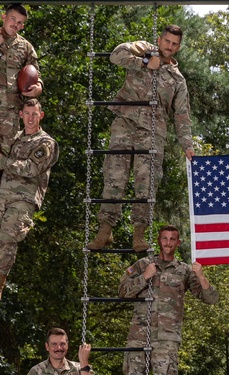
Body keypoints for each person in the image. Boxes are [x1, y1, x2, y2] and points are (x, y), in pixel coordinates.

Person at [87, 25, 194, 252]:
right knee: (114, 175)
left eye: (175, 44)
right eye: (167, 41)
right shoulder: (143, 50)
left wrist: (187, 145)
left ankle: (139, 233)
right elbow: (116, 55)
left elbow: (182, 114)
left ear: (179, 47)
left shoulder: (178, 80)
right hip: (125, 121)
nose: (169, 46)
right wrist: (144, 62)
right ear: (159, 39)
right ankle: (105, 230)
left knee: (146, 182)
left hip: (153, 130)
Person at [119, 224, 219, 375]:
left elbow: (211, 299)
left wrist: (201, 276)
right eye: (164, 238)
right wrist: (144, 277)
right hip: (138, 334)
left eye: (172, 239)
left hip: (167, 338)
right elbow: (122, 291)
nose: (168, 242)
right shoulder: (143, 264)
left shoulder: (184, 270)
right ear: (159, 241)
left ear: (178, 243)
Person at [0, 99, 58, 299]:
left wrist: (5, 163)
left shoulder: (46, 143)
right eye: (27, 113)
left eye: (35, 114)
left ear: (41, 116)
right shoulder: (15, 138)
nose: (31, 118)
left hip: (23, 198)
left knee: (7, 238)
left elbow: (32, 168)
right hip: (2, 195)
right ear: (21, 115)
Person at [0, 3, 43, 172]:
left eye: (19, 22)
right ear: (4, 17)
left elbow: (36, 73)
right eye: (12, 19)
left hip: (11, 112)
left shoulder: (25, 47)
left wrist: (38, 86)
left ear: (23, 26)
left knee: (6, 158)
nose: (15, 24)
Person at [27, 327, 93, 374]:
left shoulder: (79, 368)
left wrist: (84, 362)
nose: (59, 348)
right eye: (54, 344)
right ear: (47, 346)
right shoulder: (36, 371)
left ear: (67, 345)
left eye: (62, 344)